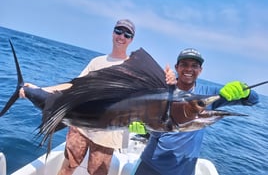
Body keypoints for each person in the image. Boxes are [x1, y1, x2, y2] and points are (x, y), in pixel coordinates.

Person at [19, 19, 177, 175]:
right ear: (113, 33)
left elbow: (160, 98)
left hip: (108, 136)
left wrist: (170, 81)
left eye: (127, 34)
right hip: (80, 127)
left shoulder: (135, 70)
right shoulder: (97, 62)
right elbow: (73, 86)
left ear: (131, 40)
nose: (121, 36)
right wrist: (39, 89)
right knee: (67, 169)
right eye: (118, 31)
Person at [131, 48, 259, 175]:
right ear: (177, 67)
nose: (188, 69)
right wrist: (143, 128)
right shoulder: (163, 90)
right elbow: (149, 121)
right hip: (151, 165)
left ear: (200, 70)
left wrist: (245, 91)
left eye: (194, 66)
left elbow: (253, 100)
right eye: (184, 64)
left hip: (184, 170)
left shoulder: (209, 93)